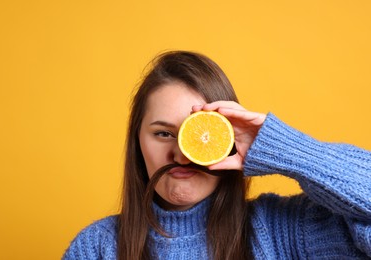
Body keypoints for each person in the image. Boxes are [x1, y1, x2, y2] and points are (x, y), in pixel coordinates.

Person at [63, 51, 371, 259]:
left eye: (198, 135)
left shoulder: (283, 231)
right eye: (163, 134)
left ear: (227, 138)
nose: (182, 156)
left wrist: (280, 147)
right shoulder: (97, 248)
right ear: (137, 144)